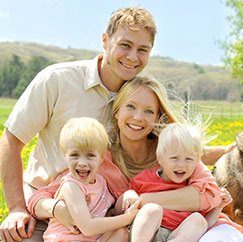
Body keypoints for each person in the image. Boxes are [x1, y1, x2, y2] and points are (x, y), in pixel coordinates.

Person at [0, 6, 157, 242]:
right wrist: (16, 209)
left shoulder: (141, 98)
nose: (133, 57)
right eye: (125, 45)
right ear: (105, 41)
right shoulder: (58, 80)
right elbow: (12, 141)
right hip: (46, 211)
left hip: (107, 217)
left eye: (142, 49)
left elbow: (171, 145)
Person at [28, 76, 243, 242]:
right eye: (130, 107)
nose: (138, 117)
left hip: (196, 229)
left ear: (157, 118)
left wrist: (143, 199)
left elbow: (209, 195)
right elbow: (41, 197)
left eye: (148, 111)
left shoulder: (175, 151)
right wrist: (56, 208)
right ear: (117, 112)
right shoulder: (100, 160)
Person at [117, 123, 241, 242]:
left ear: (197, 161)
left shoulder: (195, 187)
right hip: (149, 233)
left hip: (179, 236)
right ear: (160, 158)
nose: (181, 165)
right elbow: (118, 209)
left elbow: (205, 224)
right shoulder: (144, 180)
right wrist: (129, 194)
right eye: (174, 158)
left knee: (198, 219)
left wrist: (219, 207)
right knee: (152, 209)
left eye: (188, 159)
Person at [42, 117, 140, 242]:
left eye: (90, 156)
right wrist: (127, 218)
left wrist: (128, 194)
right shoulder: (71, 186)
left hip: (92, 238)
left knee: (122, 234)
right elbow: (87, 228)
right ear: (65, 156)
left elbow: (109, 211)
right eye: (74, 155)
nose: (82, 163)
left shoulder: (101, 181)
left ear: (101, 158)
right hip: (66, 239)